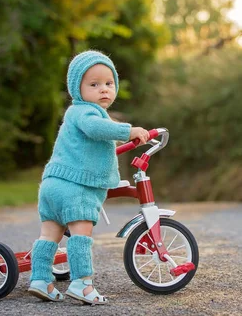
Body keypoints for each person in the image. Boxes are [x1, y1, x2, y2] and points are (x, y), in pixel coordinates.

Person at [27, 50, 149, 305]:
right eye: (94, 85)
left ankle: (40, 280)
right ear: (77, 88)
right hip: (76, 186)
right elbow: (97, 128)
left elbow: (101, 131)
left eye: (109, 83)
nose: (103, 89)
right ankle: (82, 284)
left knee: (49, 235)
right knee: (81, 235)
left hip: (52, 184)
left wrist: (122, 136)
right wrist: (130, 131)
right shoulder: (84, 112)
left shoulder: (80, 114)